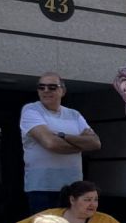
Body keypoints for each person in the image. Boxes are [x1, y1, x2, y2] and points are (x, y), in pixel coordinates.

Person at [19, 73, 100, 214]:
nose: (46, 91)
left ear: (63, 91)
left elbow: (95, 143)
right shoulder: (31, 110)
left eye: (52, 87)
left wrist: (64, 136)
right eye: (41, 87)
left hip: (73, 188)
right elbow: (51, 143)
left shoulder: (74, 114)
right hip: (42, 187)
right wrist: (80, 144)